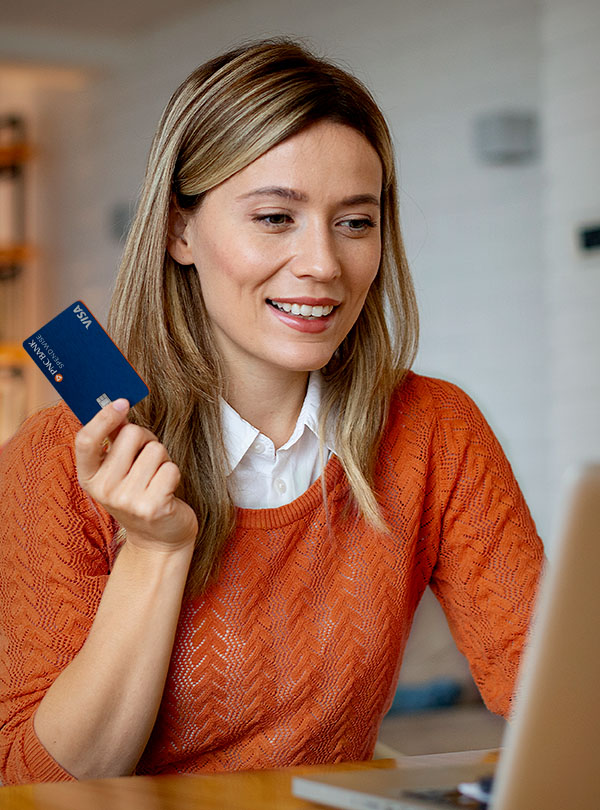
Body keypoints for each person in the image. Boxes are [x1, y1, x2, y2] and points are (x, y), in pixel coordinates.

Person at [0, 38, 544, 785]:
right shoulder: (59, 457)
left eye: (355, 222)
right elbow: (39, 787)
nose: (323, 263)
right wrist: (155, 553)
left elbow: (548, 687)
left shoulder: (435, 430)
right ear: (178, 231)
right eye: (276, 218)